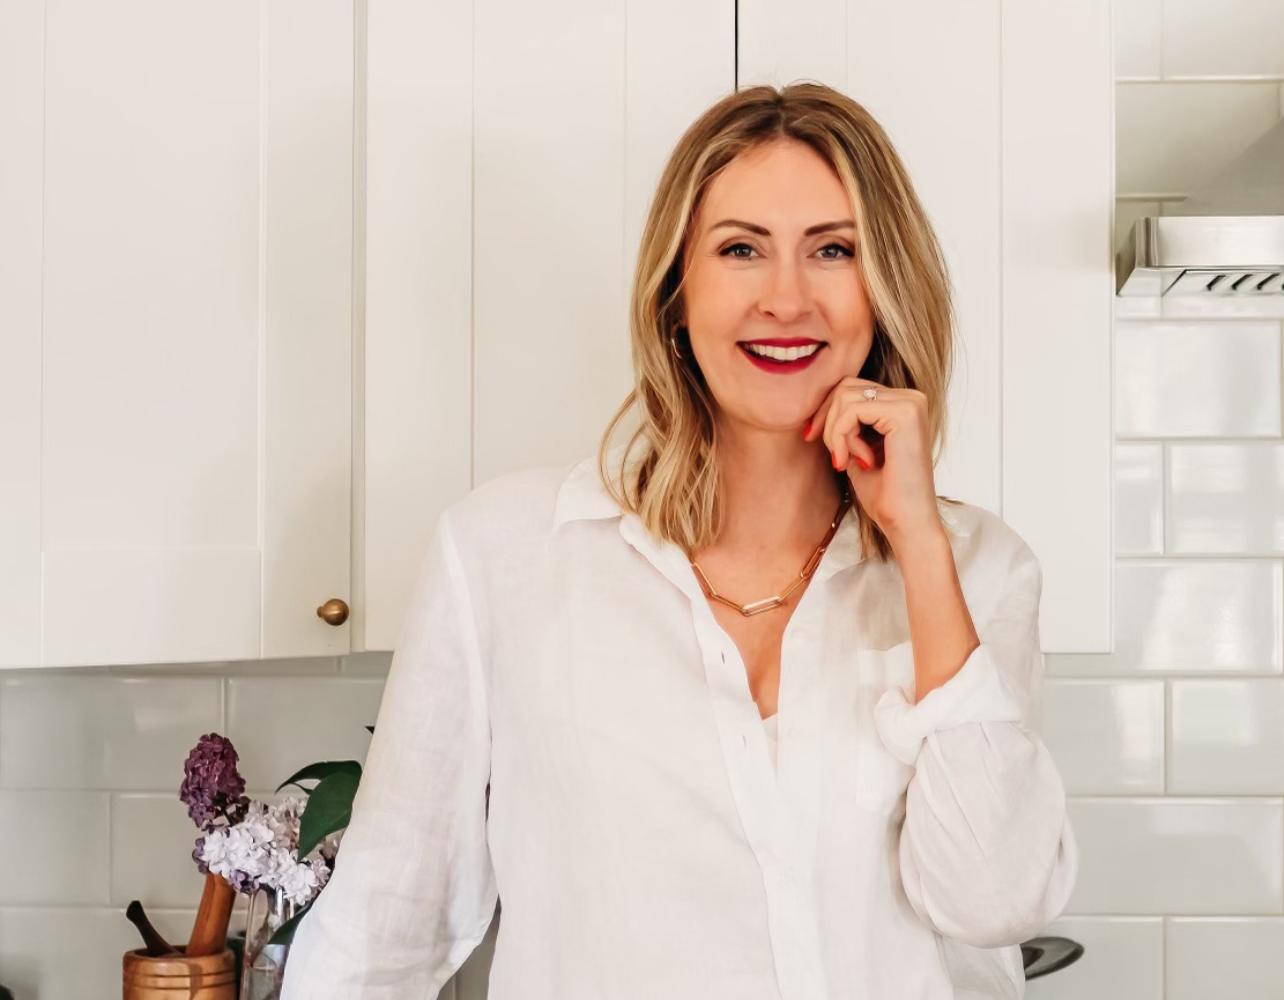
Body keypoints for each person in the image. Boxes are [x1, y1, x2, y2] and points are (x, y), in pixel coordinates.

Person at [280, 81, 1077, 1000]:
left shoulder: (981, 570)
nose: (787, 298)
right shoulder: (502, 556)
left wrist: (921, 546)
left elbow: (996, 900)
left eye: (833, 250)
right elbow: (383, 929)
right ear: (677, 291)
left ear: (883, 289)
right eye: (741, 249)